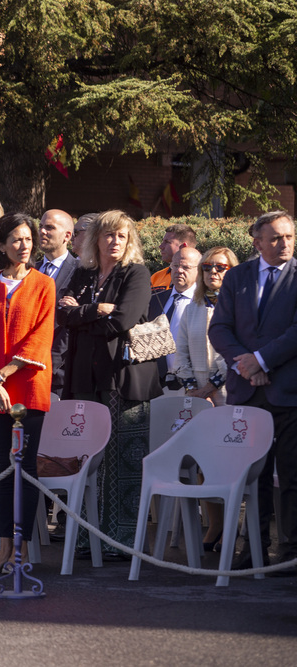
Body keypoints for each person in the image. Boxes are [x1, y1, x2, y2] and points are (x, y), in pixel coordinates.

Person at [58, 210, 162, 556]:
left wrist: (83, 314)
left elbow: (122, 321)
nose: (115, 241)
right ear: (95, 239)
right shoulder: (84, 273)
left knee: (120, 463)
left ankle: (120, 542)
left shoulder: (137, 273)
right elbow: (61, 314)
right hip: (83, 376)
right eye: (108, 235)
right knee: (88, 459)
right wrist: (94, 310)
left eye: (121, 235)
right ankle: (89, 536)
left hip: (123, 379)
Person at [209, 211, 297, 575]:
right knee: (253, 477)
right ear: (257, 241)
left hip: (289, 393)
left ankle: (291, 554)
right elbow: (221, 328)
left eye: (290, 237)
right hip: (247, 392)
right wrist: (244, 364)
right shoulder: (238, 277)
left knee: (292, 477)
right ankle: (254, 552)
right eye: (276, 238)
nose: (285, 244)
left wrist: (261, 359)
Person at [0, 213, 55, 572]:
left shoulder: (44, 284)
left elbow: (40, 336)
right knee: (3, 467)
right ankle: (3, 547)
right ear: (2, 245)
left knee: (25, 467)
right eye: (17, 240)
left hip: (27, 387)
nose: (24, 246)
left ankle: (20, 549)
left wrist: (4, 374)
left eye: (28, 239)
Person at [174, 245, 238, 551]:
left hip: (228, 397)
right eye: (208, 266)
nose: (213, 272)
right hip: (197, 398)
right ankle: (214, 525)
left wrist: (211, 388)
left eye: (221, 267)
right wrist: (193, 388)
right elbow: (180, 350)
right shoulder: (191, 308)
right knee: (202, 465)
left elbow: (233, 353)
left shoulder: (239, 307)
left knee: (228, 463)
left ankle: (233, 528)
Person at [38, 209, 80, 394]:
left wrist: (50, 363)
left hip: (59, 374)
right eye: (40, 227)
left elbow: (73, 325)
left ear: (67, 236)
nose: (42, 232)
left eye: (49, 227)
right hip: (23, 367)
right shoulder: (29, 268)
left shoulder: (81, 272)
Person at [148, 247, 202, 390]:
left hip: (193, 384)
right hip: (157, 384)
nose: (179, 270)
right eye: (175, 266)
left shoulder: (206, 303)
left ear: (199, 270)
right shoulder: (154, 300)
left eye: (186, 267)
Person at [150, 223, 197, 293]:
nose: (161, 246)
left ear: (184, 246)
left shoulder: (202, 277)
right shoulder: (156, 277)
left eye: (167, 242)